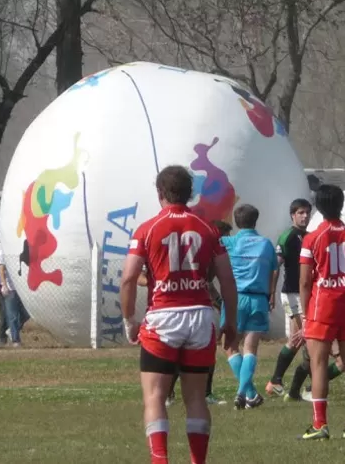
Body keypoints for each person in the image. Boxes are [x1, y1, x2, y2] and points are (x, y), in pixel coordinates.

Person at [120, 165, 239, 464]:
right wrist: (230, 322)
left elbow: (128, 279)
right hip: (200, 316)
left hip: (164, 317)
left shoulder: (147, 229)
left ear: (160, 193)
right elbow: (227, 280)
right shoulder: (208, 228)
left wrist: (129, 322)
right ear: (191, 193)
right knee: (196, 397)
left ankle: (160, 460)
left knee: (155, 396)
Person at [298, 184, 345, 441]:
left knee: (318, 366)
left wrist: (305, 314)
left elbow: (305, 282)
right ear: (341, 204)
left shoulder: (312, 237)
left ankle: (320, 424)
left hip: (322, 309)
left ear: (318, 206)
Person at [164, 220, 232, 408]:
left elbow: (211, 281)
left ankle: (206, 393)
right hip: (182, 309)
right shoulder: (201, 245)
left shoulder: (213, 249)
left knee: (207, 354)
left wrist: (220, 305)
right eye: (224, 236)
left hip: (201, 309)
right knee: (179, 355)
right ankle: (169, 393)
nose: (226, 240)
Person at [221, 204, 277, 410]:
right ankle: (247, 394)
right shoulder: (266, 244)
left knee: (230, 346)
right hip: (258, 299)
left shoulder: (229, 242)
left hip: (235, 299)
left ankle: (246, 393)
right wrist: (271, 294)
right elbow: (273, 270)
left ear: (236, 222)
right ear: (256, 220)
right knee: (250, 347)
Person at [267, 198, 313, 398]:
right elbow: (276, 266)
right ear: (292, 215)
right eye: (301, 212)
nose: (304, 216)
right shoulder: (288, 237)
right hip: (292, 293)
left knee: (298, 339)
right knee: (303, 337)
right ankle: (286, 384)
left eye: (307, 213)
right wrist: (271, 293)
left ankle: (279, 383)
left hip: (305, 292)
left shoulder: (310, 236)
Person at [0, 242, 28, 348]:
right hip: (9, 287)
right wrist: (2, 284)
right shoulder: (2, 249)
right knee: (12, 315)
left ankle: (9, 332)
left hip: (21, 287)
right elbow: (1, 268)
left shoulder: (22, 247)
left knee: (26, 313)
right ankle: (15, 340)